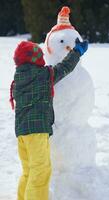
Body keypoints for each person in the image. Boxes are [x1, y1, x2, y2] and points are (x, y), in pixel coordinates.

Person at [10, 38, 88, 200]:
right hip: (37, 132)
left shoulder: (18, 78)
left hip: (22, 134)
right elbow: (64, 67)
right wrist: (77, 52)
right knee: (41, 171)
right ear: (33, 59)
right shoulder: (43, 75)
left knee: (29, 171)